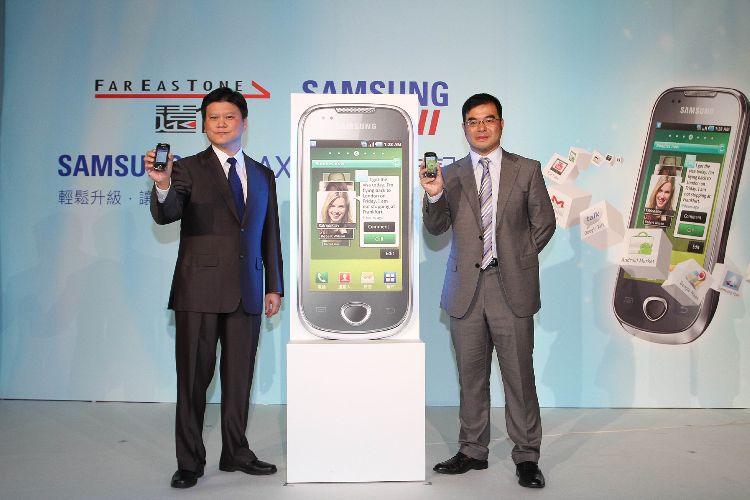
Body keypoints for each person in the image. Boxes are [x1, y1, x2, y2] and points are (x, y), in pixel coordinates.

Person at [146, 87, 284, 489]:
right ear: (203, 124)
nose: (221, 124)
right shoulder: (186, 169)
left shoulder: (262, 174)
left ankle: (235, 452)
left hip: (247, 291)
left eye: (229, 117)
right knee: (193, 380)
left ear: (244, 122)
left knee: (239, 379)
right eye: (213, 118)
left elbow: (269, 233)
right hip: (198, 292)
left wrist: (273, 286)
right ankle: (189, 462)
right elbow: (167, 214)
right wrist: (162, 184)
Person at [420, 93, 555, 489]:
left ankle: (527, 456)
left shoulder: (526, 169)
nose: (481, 127)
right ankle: (472, 450)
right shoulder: (450, 174)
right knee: (471, 376)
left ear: (501, 124)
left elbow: (544, 222)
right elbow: (436, 228)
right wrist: (433, 193)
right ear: (464, 128)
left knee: (519, 378)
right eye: (473, 121)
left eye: (488, 119)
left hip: (510, 287)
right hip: (465, 289)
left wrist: (516, 257)